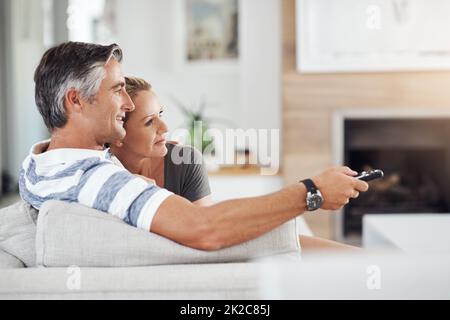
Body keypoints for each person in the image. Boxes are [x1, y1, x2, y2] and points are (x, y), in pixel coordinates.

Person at [19, 42, 369, 252]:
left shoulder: (38, 163)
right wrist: (312, 191)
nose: (126, 104)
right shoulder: (99, 180)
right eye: (116, 90)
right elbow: (206, 228)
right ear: (75, 101)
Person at [109, 77, 212, 206]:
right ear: (117, 135)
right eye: (149, 122)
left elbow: (203, 223)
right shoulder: (100, 173)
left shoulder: (186, 161)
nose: (165, 128)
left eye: (160, 114)